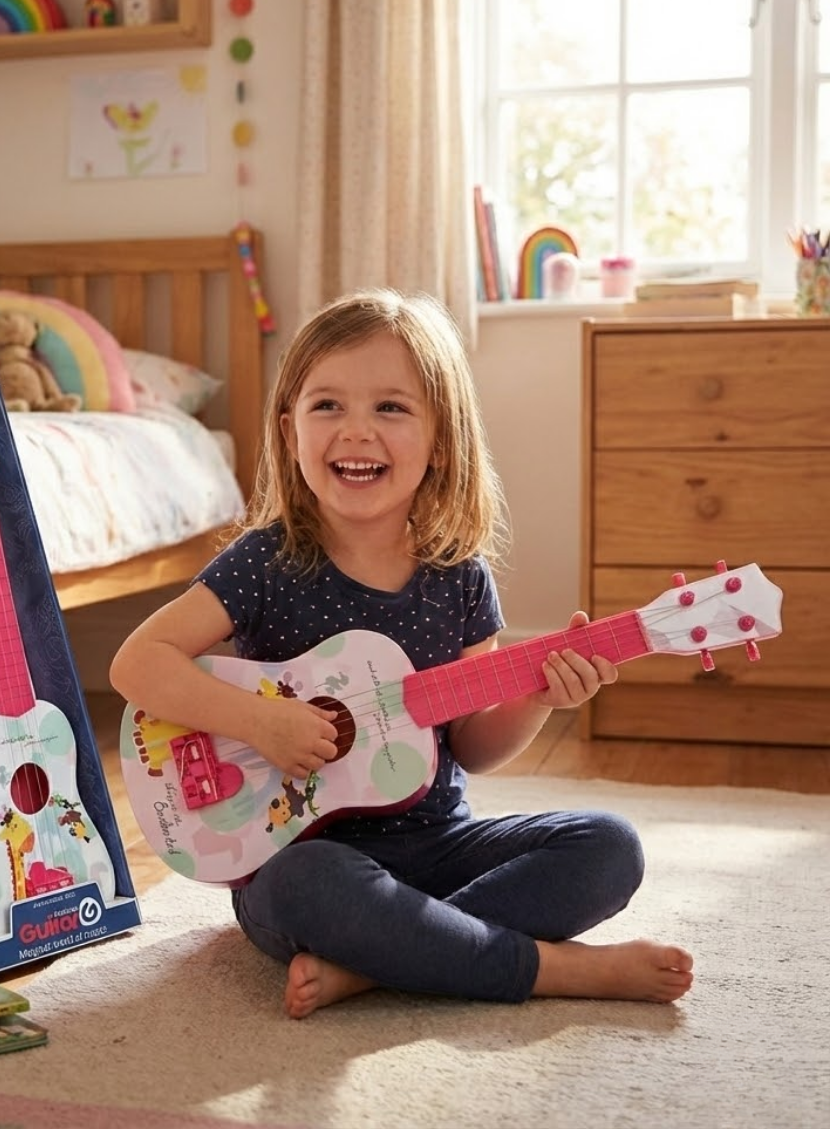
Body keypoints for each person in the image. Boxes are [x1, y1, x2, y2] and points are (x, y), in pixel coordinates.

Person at [109, 288, 693, 1019]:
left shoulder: (459, 579)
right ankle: (550, 970)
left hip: (437, 845)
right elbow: (138, 663)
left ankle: (380, 962)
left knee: (609, 846)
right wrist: (259, 724)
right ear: (289, 429)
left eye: (391, 408)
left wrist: (540, 696)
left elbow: (474, 749)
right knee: (308, 886)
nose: (357, 432)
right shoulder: (264, 563)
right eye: (328, 406)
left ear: (441, 439)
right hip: (299, 858)